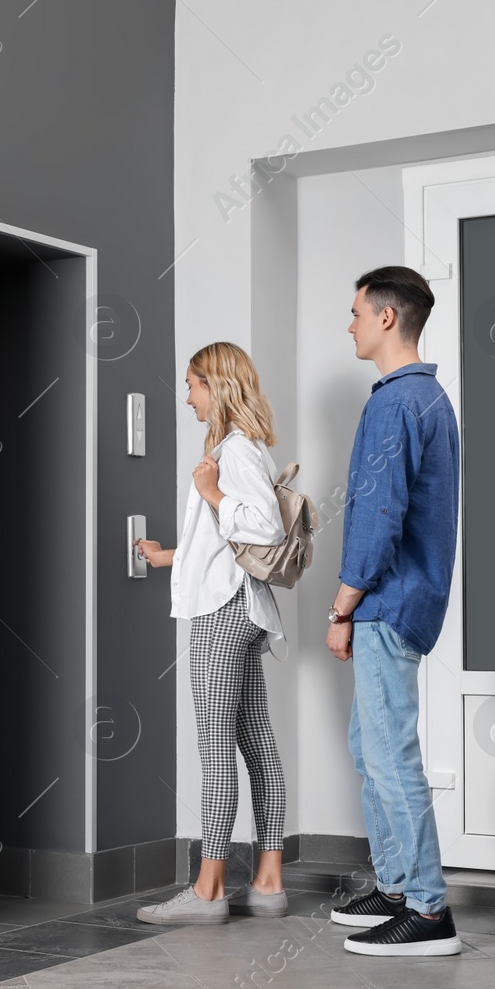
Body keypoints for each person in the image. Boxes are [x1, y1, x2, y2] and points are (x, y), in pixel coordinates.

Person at [325, 266, 462, 956]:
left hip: (385, 601)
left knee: (389, 753)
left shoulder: (395, 402)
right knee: (369, 745)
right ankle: (397, 884)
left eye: (354, 313)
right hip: (403, 599)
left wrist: (342, 603)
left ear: (385, 318)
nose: (348, 324)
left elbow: (379, 515)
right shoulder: (428, 398)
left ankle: (428, 908)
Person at [135, 342, 290, 925]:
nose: (188, 396)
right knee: (255, 742)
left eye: (193, 385)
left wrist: (211, 491)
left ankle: (208, 890)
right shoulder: (240, 449)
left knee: (216, 743)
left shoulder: (234, 452)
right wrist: (168, 555)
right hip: (245, 609)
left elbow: (264, 528)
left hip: (223, 615)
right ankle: (269, 882)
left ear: (217, 386)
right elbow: (227, 544)